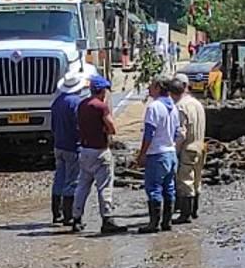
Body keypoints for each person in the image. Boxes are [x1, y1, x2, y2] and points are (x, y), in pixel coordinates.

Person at [73, 75, 128, 235]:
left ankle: (76, 218)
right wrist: (107, 130)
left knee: (82, 185)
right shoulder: (101, 107)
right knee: (104, 186)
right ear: (102, 91)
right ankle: (107, 219)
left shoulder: (82, 105)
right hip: (100, 150)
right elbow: (112, 127)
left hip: (85, 150)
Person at [135, 77, 180, 233]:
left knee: (154, 188)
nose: (148, 88)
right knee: (169, 188)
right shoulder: (173, 107)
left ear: (158, 87)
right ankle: (166, 222)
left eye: (151, 85)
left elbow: (149, 133)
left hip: (157, 154)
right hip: (171, 152)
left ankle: (154, 224)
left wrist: (142, 154)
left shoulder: (154, 107)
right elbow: (176, 132)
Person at [50, 71, 85, 225]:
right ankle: (69, 216)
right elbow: (80, 126)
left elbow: (52, 126)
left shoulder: (57, 102)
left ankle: (56, 213)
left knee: (59, 177)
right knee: (72, 181)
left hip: (59, 145)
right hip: (72, 146)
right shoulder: (77, 103)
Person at [171, 74, 206, 223]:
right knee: (197, 179)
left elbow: (181, 133)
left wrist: (175, 150)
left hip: (188, 147)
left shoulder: (180, 107)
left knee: (185, 180)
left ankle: (185, 215)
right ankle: (195, 210)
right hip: (201, 145)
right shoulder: (197, 103)